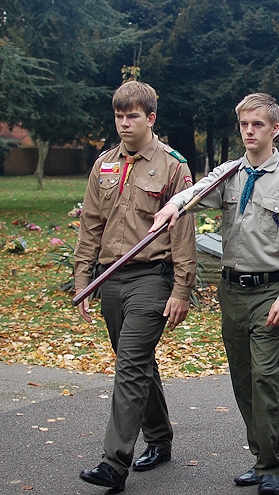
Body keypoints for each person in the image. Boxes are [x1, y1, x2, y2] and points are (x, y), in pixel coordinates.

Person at [150, 93, 279, 495]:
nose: (249, 131)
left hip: (269, 291)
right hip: (232, 291)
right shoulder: (229, 173)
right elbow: (194, 192)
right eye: (244, 124)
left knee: (265, 380)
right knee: (242, 379)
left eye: (258, 124)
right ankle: (260, 457)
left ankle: (270, 465)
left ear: (275, 129)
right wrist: (174, 205)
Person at [75, 81, 197, 492]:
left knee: (128, 365)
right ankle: (159, 439)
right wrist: (83, 278)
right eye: (119, 116)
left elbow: (183, 234)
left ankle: (114, 463)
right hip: (111, 278)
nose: (124, 124)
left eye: (133, 116)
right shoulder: (104, 165)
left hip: (152, 278)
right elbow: (91, 224)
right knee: (138, 363)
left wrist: (182, 289)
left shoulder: (173, 166)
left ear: (151, 118)